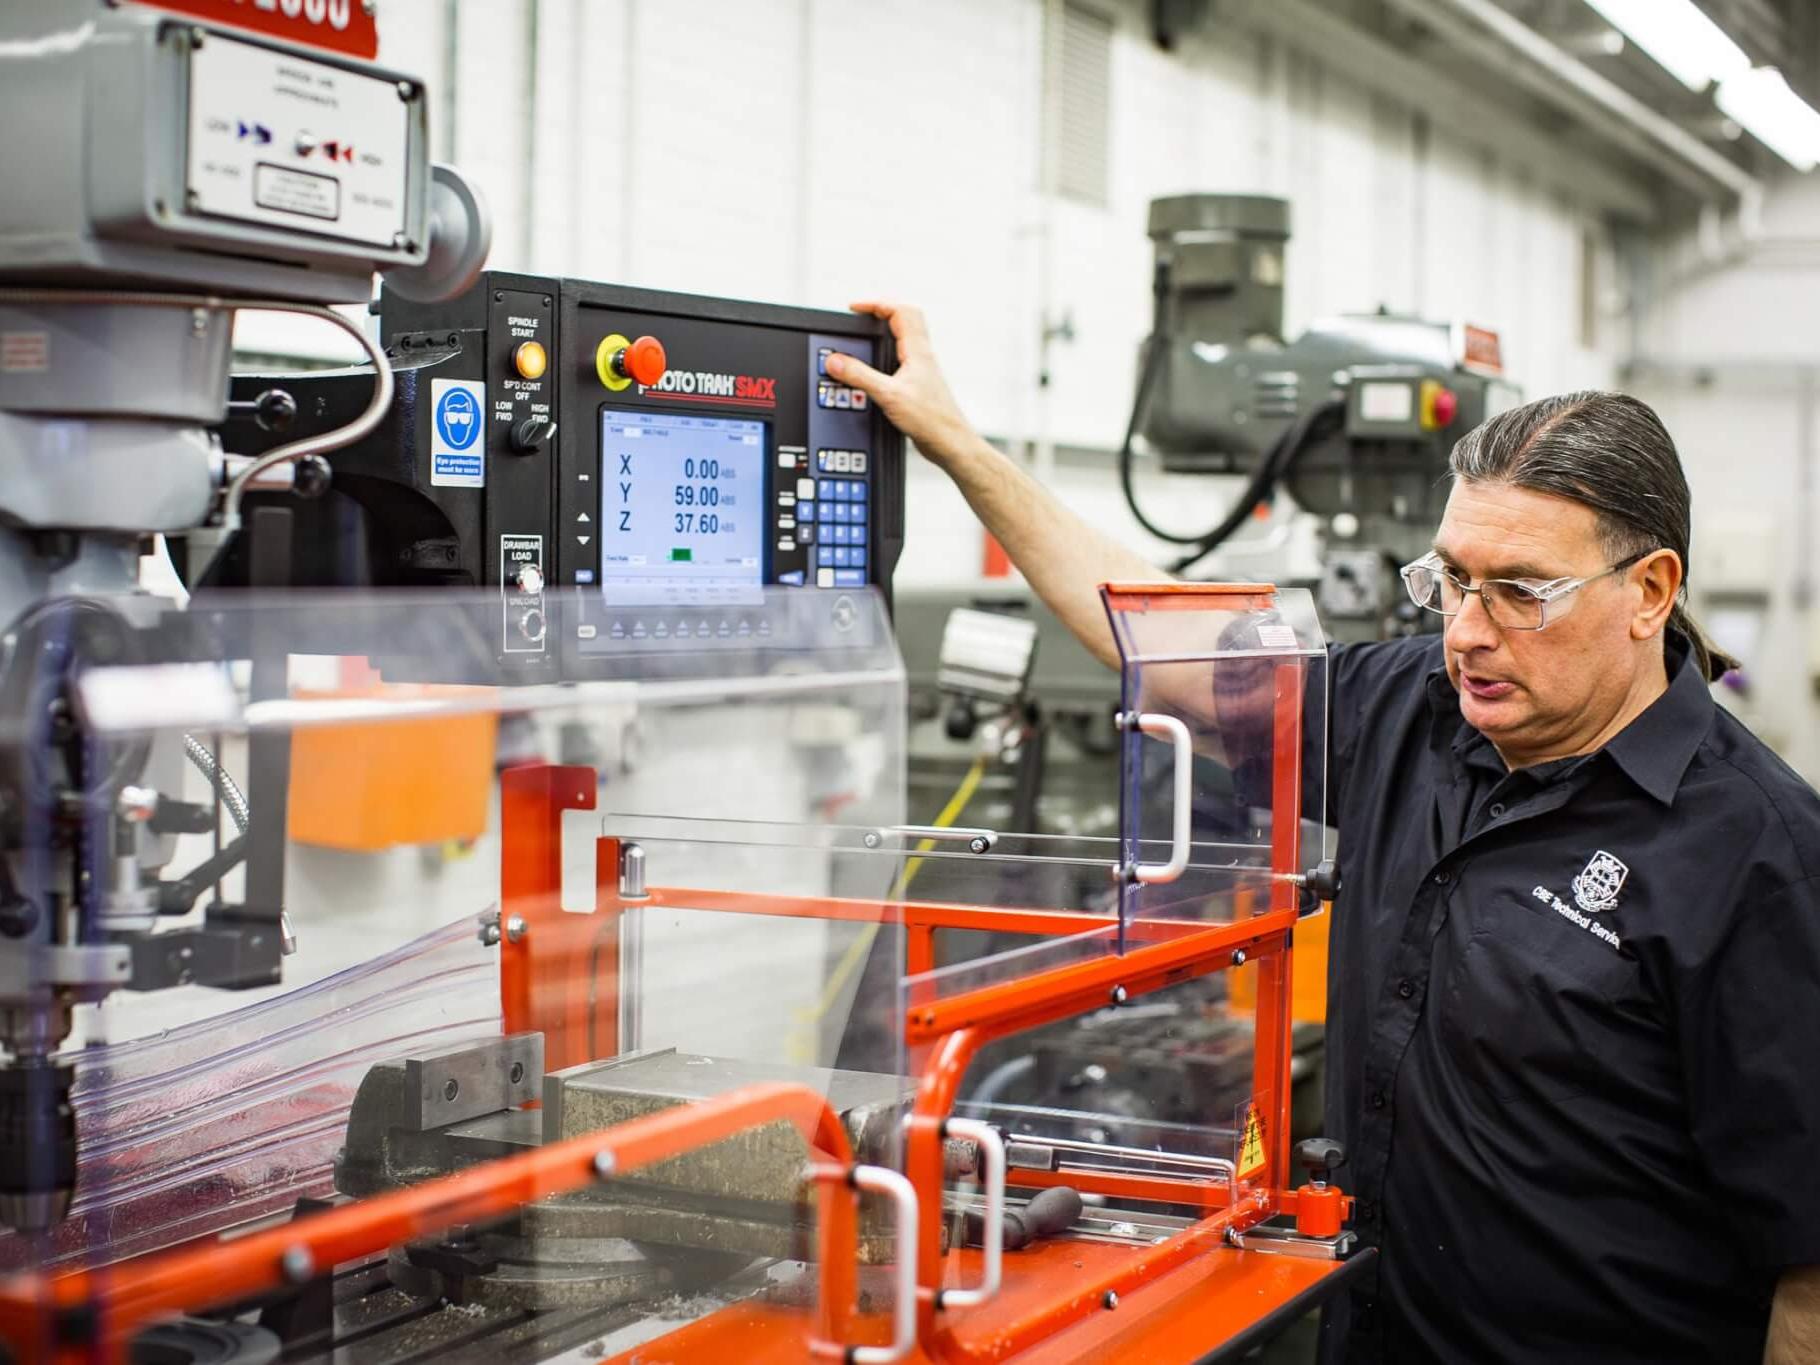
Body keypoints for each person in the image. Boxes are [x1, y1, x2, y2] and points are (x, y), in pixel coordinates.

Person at [826, 303, 1820, 1365]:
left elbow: (1807, 1276)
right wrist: (958, 446)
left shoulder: (1757, 857)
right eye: (1451, 581)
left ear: (1648, 591)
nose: (1467, 632)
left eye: (1520, 594)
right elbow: (1157, 642)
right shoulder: (1410, 709)